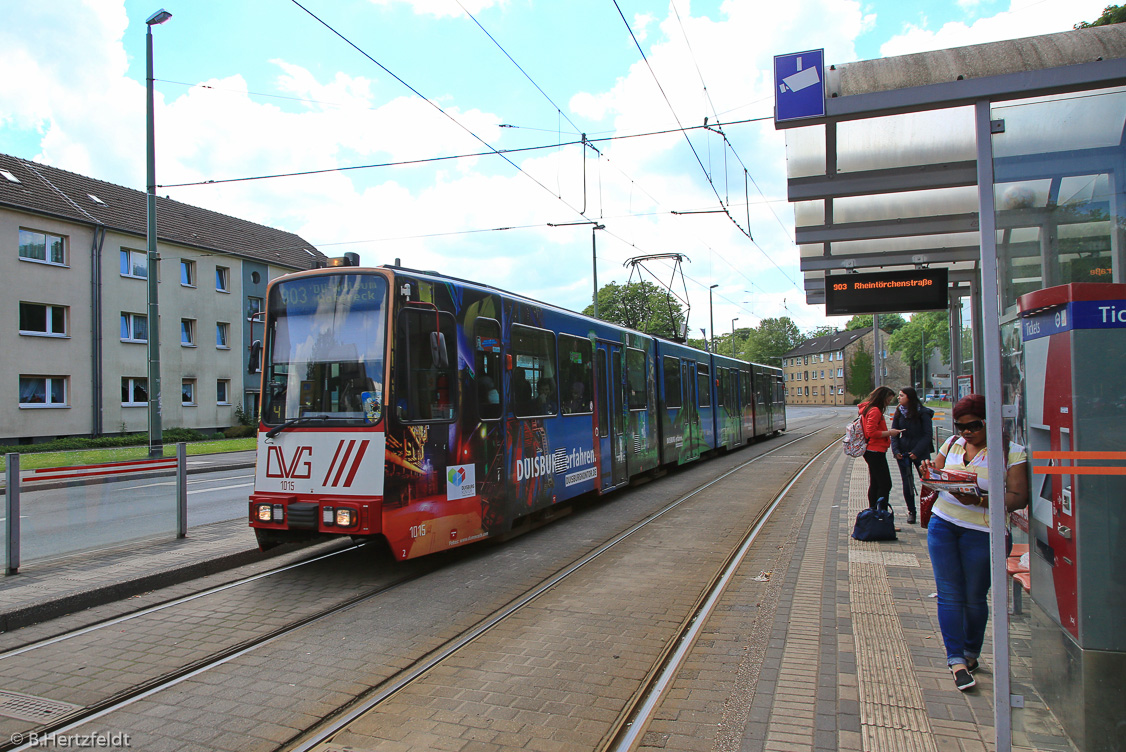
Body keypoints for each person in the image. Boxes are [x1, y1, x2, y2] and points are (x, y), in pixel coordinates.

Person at [919, 393, 1028, 692]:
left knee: (975, 595)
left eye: (974, 426)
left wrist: (980, 499)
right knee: (950, 593)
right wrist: (928, 475)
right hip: (944, 524)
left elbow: (1019, 497)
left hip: (983, 532)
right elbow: (937, 477)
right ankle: (956, 660)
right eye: (960, 426)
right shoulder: (952, 444)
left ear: (989, 422)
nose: (966, 432)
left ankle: (970, 653)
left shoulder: (1011, 452)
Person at [890, 386, 934, 525]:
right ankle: (911, 511)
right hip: (903, 452)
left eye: (901, 395)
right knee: (907, 482)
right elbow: (894, 432)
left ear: (909, 397)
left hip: (920, 452)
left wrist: (916, 452)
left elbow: (928, 435)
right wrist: (896, 451)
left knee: (927, 482)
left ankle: (929, 510)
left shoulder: (923, 413)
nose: (899, 397)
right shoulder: (899, 411)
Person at [858, 386, 903, 510]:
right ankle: (881, 515)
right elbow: (871, 432)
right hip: (875, 450)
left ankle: (874, 514)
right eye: (888, 400)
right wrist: (890, 433)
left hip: (873, 450)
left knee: (876, 483)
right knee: (885, 484)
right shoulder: (875, 411)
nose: (889, 403)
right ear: (882, 398)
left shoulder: (869, 409)